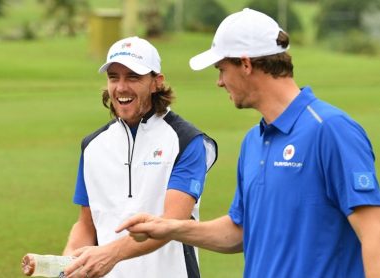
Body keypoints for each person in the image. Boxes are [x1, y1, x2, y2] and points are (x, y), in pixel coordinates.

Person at [117, 8, 380, 278]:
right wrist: (171, 227)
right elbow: (239, 232)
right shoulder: (253, 142)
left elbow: (374, 235)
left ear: (246, 64)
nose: (219, 82)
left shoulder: (331, 130)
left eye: (221, 69)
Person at [62, 36, 218, 278]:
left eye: (133, 77)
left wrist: (110, 254)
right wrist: (68, 262)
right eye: (114, 77)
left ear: (156, 82)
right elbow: (86, 224)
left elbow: (171, 222)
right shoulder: (92, 146)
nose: (121, 87)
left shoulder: (187, 140)